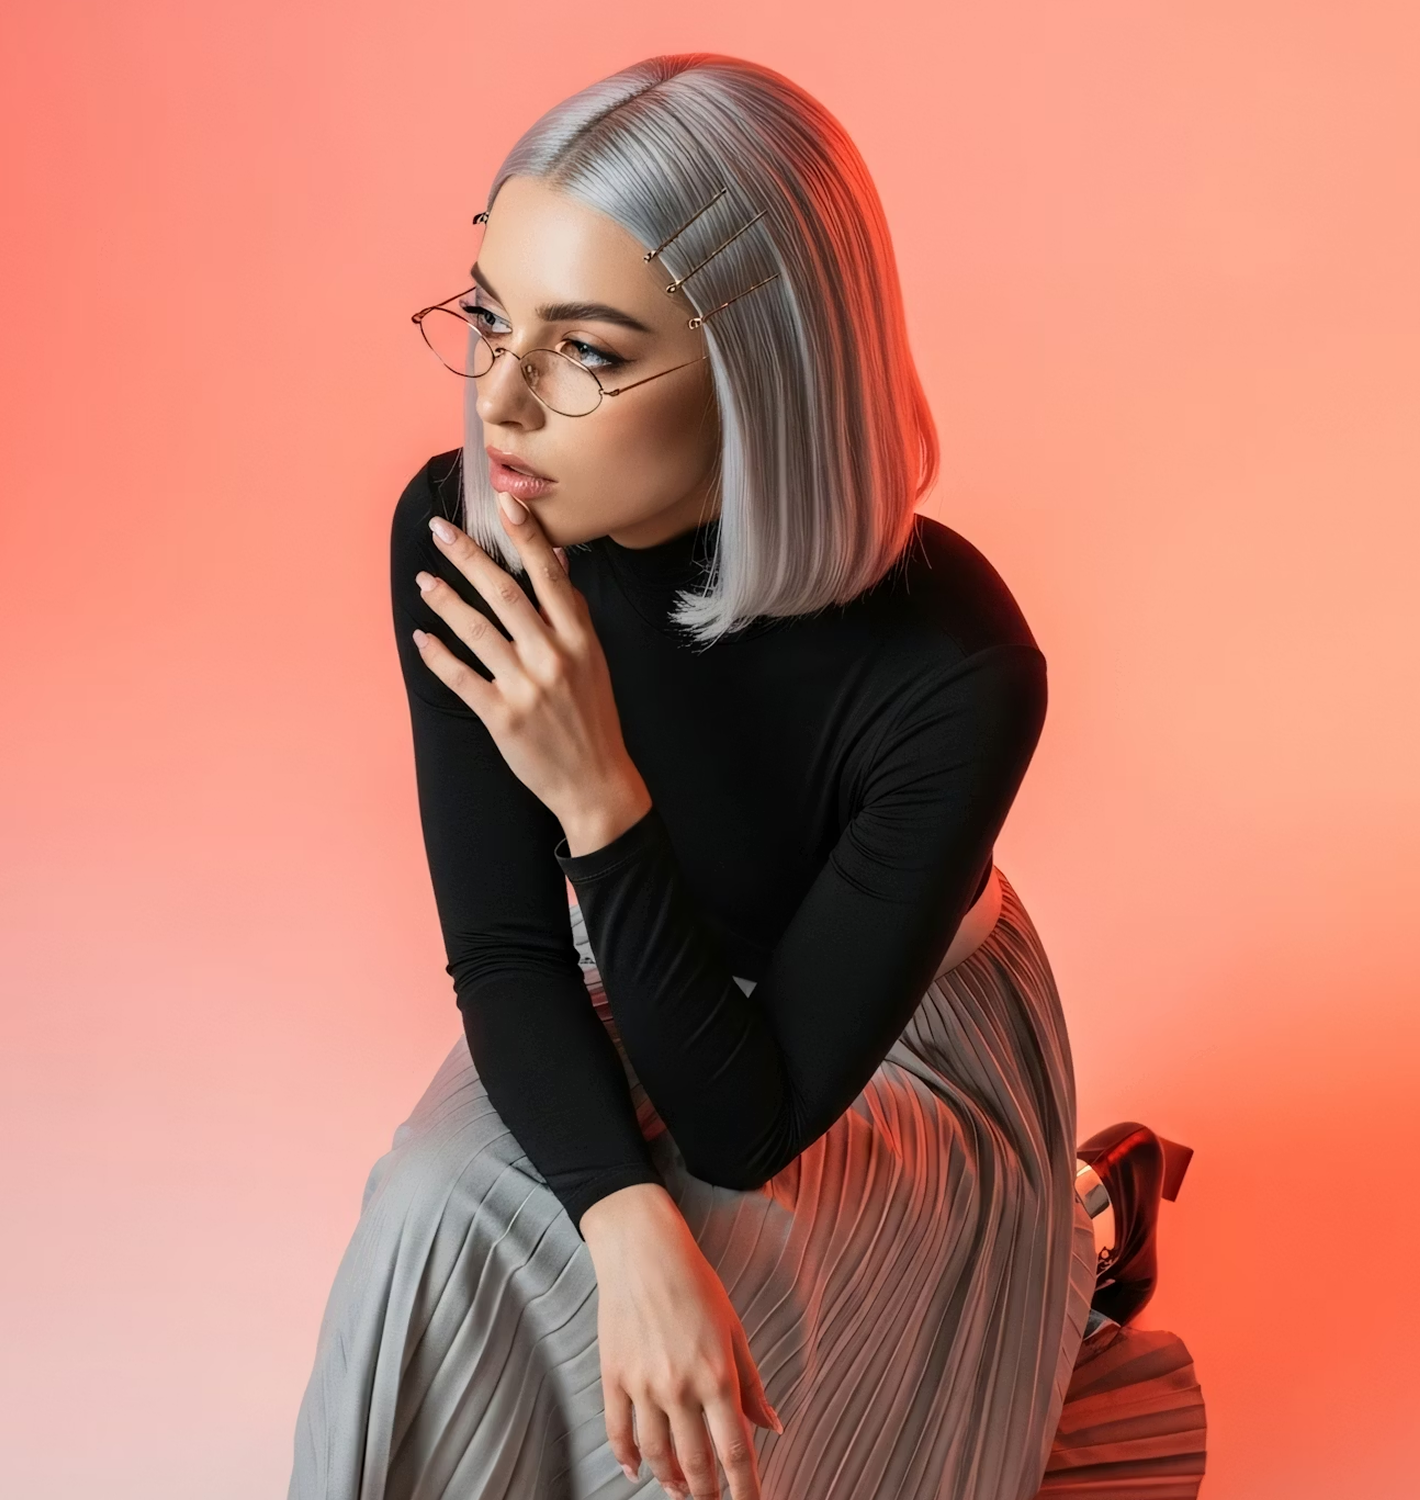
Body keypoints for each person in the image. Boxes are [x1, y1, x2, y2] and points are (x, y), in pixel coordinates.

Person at [287, 53, 1205, 1500]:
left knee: (716, 1319)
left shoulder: (960, 668)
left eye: (585, 350)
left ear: (763, 368)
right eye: (486, 315)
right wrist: (623, 1223)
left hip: (887, 1057)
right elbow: (511, 952)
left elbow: (746, 1126)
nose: (502, 401)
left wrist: (595, 791)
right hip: (635, 969)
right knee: (437, 1208)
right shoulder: (466, 525)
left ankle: (1069, 1231)